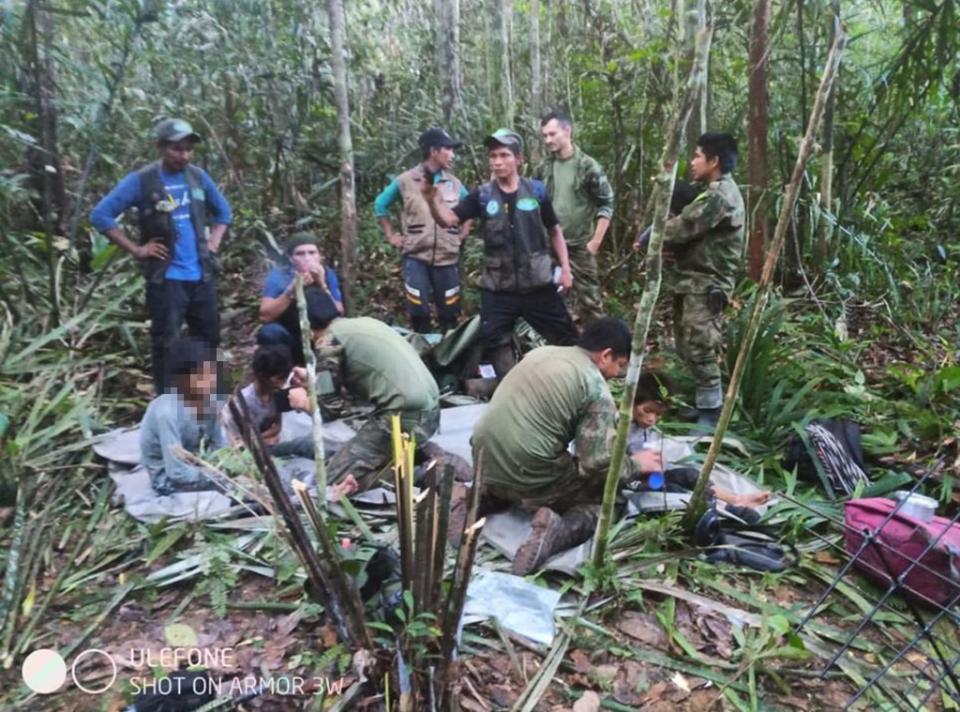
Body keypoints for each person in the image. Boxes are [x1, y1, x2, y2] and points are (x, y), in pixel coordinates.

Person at [470, 318, 662, 575]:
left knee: (530, 462)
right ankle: (556, 532)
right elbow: (596, 464)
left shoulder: (541, 353)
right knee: (609, 502)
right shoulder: (595, 387)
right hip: (528, 470)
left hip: (482, 458)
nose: (616, 374)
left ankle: (481, 497)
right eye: (620, 365)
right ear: (605, 355)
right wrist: (637, 463)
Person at [91, 118, 232, 394]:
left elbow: (223, 213)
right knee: (166, 342)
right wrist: (136, 249)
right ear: (159, 147)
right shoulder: (142, 181)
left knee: (209, 338)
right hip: (167, 279)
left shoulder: (197, 177)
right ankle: (168, 404)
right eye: (177, 149)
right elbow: (101, 215)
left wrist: (213, 242)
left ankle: (211, 399)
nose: (184, 155)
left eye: (188, 149)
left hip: (201, 274)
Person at [423, 129, 578, 377]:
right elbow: (448, 219)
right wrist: (431, 199)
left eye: (504, 155)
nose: (497, 161)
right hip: (498, 287)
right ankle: (513, 385)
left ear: (519, 159)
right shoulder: (482, 196)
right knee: (493, 337)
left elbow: (554, 230)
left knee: (566, 336)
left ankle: (573, 382)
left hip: (537, 283)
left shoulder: (537, 191)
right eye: (493, 156)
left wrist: (566, 269)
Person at [293, 290, 440, 492]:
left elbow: (328, 410)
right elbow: (363, 379)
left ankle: (418, 473)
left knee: (328, 483)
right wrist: (314, 381)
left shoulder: (328, 342)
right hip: (430, 411)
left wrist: (302, 402)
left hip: (403, 419)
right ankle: (411, 455)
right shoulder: (363, 324)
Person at [663, 133, 745, 432]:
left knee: (701, 345)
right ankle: (703, 404)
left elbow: (683, 227)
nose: (692, 162)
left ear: (714, 161)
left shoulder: (720, 196)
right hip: (692, 280)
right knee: (687, 344)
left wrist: (652, 234)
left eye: (697, 156)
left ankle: (712, 413)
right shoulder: (708, 191)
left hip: (707, 283)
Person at [626, 372, 769, 511]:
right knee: (671, 490)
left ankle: (735, 500)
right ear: (631, 402)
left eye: (658, 414)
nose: (652, 419)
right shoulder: (619, 427)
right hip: (629, 481)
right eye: (647, 410)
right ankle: (719, 508)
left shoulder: (644, 429)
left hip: (651, 476)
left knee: (690, 475)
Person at [375, 128, 470, 334]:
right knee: (418, 309)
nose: (452, 155)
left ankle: (449, 354)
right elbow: (380, 205)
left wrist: (462, 233)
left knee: (450, 310)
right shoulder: (405, 180)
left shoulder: (454, 184)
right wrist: (391, 235)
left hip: (447, 257)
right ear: (434, 151)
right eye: (448, 149)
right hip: (416, 256)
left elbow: (470, 208)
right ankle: (421, 351)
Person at [536, 111, 615, 323]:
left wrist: (595, 242)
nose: (548, 140)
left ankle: (597, 349)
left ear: (567, 131)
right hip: (550, 247)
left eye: (552, 134)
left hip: (580, 246)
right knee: (551, 300)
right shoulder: (543, 168)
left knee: (590, 302)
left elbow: (606, 203)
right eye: (544, 136)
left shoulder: (588, 167)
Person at [140, 337, 227, 495]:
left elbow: (220, 446)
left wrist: (226, 466)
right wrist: (215, 475)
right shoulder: (167, 413)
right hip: (168, 479)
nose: (209, 382)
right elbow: (176, 472)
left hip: (202, 467)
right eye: (201, 377)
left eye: (211, 374)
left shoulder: (213, 402)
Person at [258, 233, 343, 363]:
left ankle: (328, 369)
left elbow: (339, 313)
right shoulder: (279, 276)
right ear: (291, 258)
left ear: (319, 256)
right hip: (291, 336)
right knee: (270, 333)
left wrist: (322, 284)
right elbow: (265, 316)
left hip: (322, 336)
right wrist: (292, 290)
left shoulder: (327, 274)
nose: (307, 258)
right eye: (300, 254)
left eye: (312, 252)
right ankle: (283, 374)